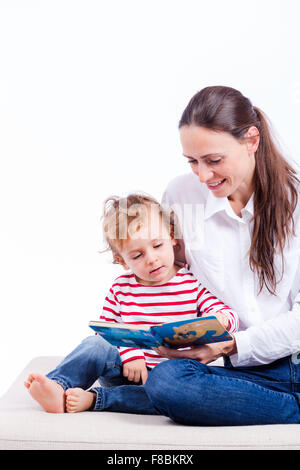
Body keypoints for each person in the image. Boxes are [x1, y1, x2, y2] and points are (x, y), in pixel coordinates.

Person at [143, 85, 300, 426]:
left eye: (213, 160)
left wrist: (231, 345)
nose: (202, 175)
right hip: (235, 371)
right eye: (192, 162)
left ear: (251, 141)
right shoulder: (180, 194)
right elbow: (173, 280)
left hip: (290, 360)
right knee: (164, 380)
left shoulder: (297, 199)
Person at [24, 193, 238, 414]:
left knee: (175, 394)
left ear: (172, 236)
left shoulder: (191, 283)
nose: (152, 259)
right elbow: (106, 332)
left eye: (157, 245)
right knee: (95, 345)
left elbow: (229, 315)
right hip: (125, 370)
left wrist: (220, 318)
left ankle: (95, 399)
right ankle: (58, 386)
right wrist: (130, 354)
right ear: (121, 260)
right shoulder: (121, 288)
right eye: (137, 256)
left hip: (171, 377)